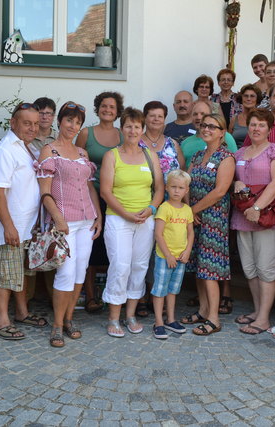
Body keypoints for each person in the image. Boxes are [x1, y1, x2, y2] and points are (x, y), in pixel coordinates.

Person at [38, 102, 102, 347]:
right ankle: (56, 325)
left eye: (77, 122)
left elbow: (89, 188)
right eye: (69, 120)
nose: (73, 126)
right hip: (64, 223)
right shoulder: (49, 151)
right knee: (65, 273)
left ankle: (68, 318)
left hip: (86, 221)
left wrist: (99, 217)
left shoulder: (83, 154)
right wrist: (58, 218)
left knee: (79, 272)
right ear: (60, 122)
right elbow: (44, 192)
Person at [0, 102, 48, 341]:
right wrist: (8, 226)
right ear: (13, 123)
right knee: (5, 274)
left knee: (20, 273)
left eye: (35, 123)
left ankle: (22, 313)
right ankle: (2, 321)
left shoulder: (26, 148)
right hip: (10, 227)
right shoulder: (4, 151)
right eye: (26, 123)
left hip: (26, 227)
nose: (32, 128)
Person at [100, 107, 164, 338]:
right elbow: (106, 192)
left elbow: (159, 189)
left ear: (142, 129)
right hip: (119, 218)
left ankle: (131, 315)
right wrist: (127, 214)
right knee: (120, 266)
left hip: (145, 219)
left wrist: (151, 209)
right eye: (129, 126)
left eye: (137, 126)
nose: (133, 130)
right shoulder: (112, 155)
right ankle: (113, 318)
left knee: (139, 266)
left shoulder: (150, 155)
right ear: (122, 128)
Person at [231, 109, 275, 335]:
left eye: (261, 125)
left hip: (266, 216)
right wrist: (236, 183)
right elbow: (237, 179)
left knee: (265, 268)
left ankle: (263, 319)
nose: (256, 128)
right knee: (249, 268)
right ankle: (256, 311)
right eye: (253, 124)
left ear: (269, 128)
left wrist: (257, 207)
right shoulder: (240, 153)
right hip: (243, 217)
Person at [181, 113, 235, 336]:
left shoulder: (226, 157)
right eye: (204, 126)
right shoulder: (196, 156)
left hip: (213, 219)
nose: (207, 129)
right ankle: (203, 310)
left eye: (213, 127)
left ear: (222, 132)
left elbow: (220, 191)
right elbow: (184, 183)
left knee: (210, 269)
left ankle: (214, 318)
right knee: (198, 268)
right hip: (195, 218)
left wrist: (193, 210)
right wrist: (188, 209)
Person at [76, 91, 124, 314]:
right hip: (89, 197)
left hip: (116, 200)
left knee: (111, 247)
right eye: (104, 106)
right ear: (98, 108)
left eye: (112, 107)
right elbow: (76, 163)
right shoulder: (86, 133)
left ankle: (112, 294)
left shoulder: (123, 135)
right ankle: (90, 295)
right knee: (90, 246)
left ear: (117, 111)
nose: (108, 110)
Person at [136, 100, 185, 317]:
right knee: (144, 252)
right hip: (145, 205)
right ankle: (141, 297)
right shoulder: (136, 142)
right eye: (152, 115)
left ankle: (162, 297)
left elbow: (181, 171)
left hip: (171, 207)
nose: (156, 119)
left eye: (160, 116)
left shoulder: (172, 144)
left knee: (166, 252)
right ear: (145, 118)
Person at [151, 169, 194, 339]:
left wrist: (187, 250)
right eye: (173, 187)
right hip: (164, 257)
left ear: (186, 190)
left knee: (173, 290)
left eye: (181, 188)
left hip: (180, 257)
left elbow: (190, 232)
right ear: (167, 188)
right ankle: (158, 322)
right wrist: (168, 254)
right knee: (160, 289)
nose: (177, 191)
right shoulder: (164, 208)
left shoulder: (187, 210)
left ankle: (171, 319)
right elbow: (158, 234)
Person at [24, 96, 58, 301]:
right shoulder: (27, 136)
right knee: (30, 248)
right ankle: (27, 300)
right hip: (30, 198)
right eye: (41, 113)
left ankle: (54, 300)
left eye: (49, 113)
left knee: (51, 246)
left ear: (54, 117)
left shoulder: (59, 138)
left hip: (52, 198)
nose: (45, 117)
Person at [180, 100, 238, 168]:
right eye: (195, 114)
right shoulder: (186, 143)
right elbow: (182, 170)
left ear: (211, 115)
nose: (198, 117)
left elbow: (235, 163)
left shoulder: (226, 136)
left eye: (203, 114)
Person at [228, 84, 262, 148]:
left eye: (252, 96)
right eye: (246, 96)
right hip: (236, 156)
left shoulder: (263, 118)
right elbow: (228, 141)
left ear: (257, 99)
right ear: (241, 98)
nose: (248, 99)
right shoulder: (234, 119)